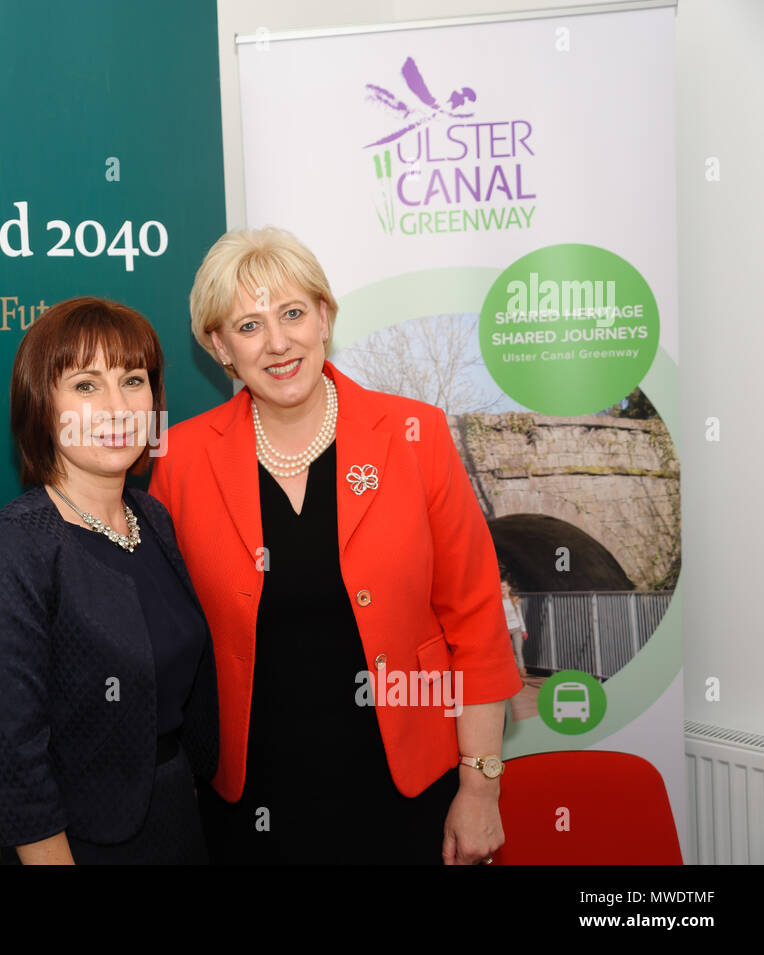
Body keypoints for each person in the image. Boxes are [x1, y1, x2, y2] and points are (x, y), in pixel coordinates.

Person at [148, 227, 524, 865]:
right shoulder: (179, 459)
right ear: (219, 347)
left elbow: (476, 620)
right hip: (250, 800)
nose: (277, 342)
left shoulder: (415, 435)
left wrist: (480, 786)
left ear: (324, 316)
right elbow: (163, 636)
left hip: (406, 789)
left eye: (293, 313)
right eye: (248, 326)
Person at [0, 296, 219, 864]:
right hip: (78, 845)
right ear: (41, 404)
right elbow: (13, 753)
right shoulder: (12, 547)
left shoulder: (153, 519)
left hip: (177, 824)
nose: (117, 407)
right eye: (84, 385)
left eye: (133, 380)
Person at [502, 580, 530, 678]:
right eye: (501, 587)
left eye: (504, 587)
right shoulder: (498, 601)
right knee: (510, 652)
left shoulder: (513, 600)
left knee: (518, 650)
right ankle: (514, 671)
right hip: (505, 630)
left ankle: (522, 670)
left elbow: (519, 615)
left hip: (516, 628)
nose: (502, 589)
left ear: (509, 588)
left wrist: (524, 630)